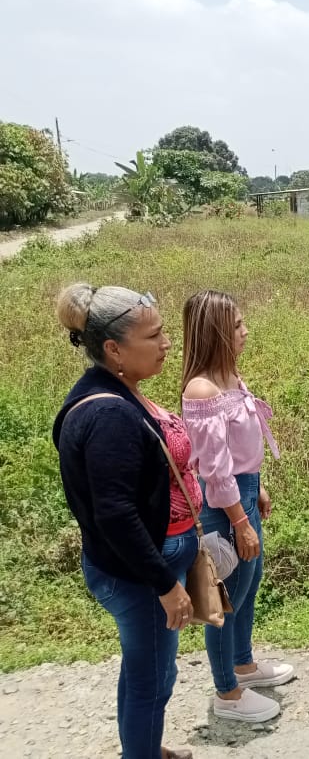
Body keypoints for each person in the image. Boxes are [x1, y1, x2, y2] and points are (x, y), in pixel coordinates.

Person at [53, 283, 196, 759]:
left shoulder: (107, 391)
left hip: (134, 568)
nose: (166, 343)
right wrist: (165, 584)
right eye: (153, 336)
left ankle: (143, 747)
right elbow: (115, 514)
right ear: (114, 349)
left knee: (144, 672)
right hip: (136, 576)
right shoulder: (110, 415)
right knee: (152, 679)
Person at [181, 290, 294, 723]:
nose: (245, 332)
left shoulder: (230, 377)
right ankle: (227, 692)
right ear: (215, 332)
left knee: (249, 583)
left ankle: (243, 664)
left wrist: (257, 487)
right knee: (226, 598)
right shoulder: (203, 389)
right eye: (236, 326)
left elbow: (240, 451)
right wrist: (240, 521)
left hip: (243, 493)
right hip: (224, 506)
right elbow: (214, 469)